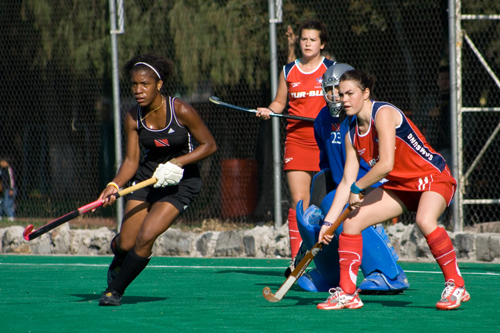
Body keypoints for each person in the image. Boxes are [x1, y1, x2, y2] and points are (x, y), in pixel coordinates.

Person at [316, 69, 469, 310]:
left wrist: (359, 186)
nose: (343, 99)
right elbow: (346, 182)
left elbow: (386, 164)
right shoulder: (351, 132)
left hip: (432, 177)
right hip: (400, 186)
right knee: (351, 224)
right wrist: (328, 223)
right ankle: (347, 292)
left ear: (365, 93)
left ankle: (456, 284)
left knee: (425, 220)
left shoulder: (384, 113)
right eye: (340, 94)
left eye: (349, 93)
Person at [98, 54, 217, 306]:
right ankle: (119, 252)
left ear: (159, 84)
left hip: (180, 184)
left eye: (145, 84)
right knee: (126, 242)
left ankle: (115, 290)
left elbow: (209, 145)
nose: (138, 90)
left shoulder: (181, 109)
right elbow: (131, 161)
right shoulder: (133, 116)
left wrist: (178, 162)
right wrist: (114, 184)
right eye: (134, 85)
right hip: (147, 179)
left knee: (146, 236)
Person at [296, 63, 409, 294]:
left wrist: (357, 188)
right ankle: (332, 275)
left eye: (343, 91)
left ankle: (388, 273)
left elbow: (384, 164)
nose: (336, 96)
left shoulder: (370, 117)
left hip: (379, 185)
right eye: (330, 90)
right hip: (348, 187)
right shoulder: (325, 120)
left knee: (336, 208)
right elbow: (327, 164)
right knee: (318, 213)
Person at [256, 21, 334, 273]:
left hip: (325, 141)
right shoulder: (288, 70)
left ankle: (326, 258)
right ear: (299, 42)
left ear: (322, 44)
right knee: (299, 202)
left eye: (313, 40)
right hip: (297, 142)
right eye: (304, 39)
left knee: (326, 202)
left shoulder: (331, 69)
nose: (308, 43)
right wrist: (269, 110)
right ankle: (298, 258)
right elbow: (280, 102)